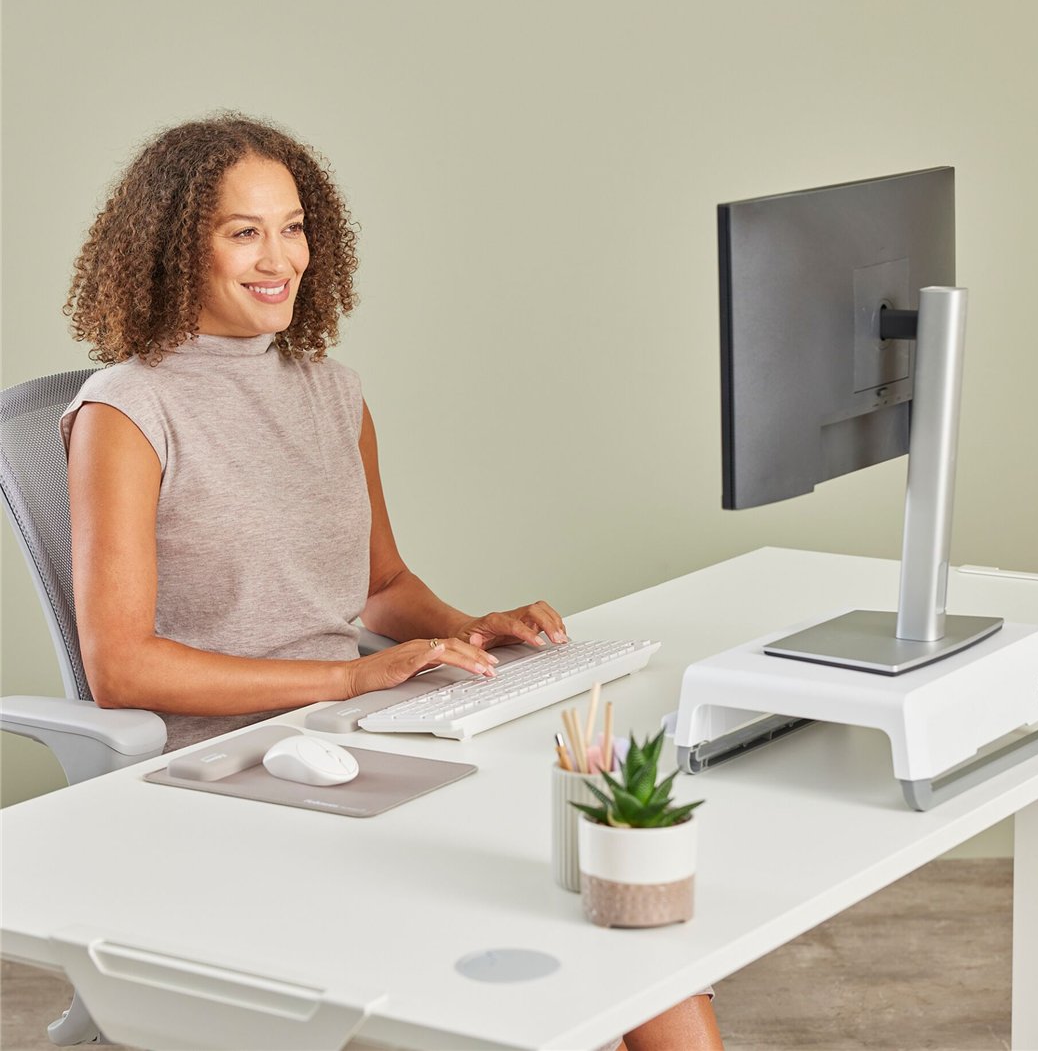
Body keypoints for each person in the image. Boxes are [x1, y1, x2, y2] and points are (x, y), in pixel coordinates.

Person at [61, 113, 722, 1051]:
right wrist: (349, 677)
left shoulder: (333, 392)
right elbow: (121, 668)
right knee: (545, 931)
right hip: (227, 770)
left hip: (355, 738)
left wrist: (468, 630)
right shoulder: (127, 412)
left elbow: (382, 585)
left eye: (294, 227)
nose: (280, 259)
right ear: (175, 248)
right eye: (244, 232)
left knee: (623, 913)